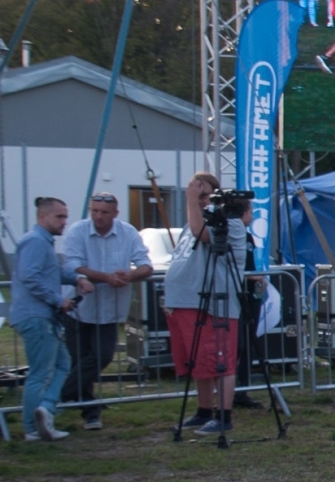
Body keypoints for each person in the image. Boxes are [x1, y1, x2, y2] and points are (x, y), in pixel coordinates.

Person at [59, 192, 154, 430]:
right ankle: (90, 411)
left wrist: (131, 275)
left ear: (115, 214)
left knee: (102, 356)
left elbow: (146, 265)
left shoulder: (128, 232)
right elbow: (71, 264)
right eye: (95, 211)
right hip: (77, 307)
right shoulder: (78, 231)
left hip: (110, 311)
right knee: (79, 361)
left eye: (104, 212)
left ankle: (56, 397)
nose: (98, 217)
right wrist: (105, 277)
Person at [164, 174, 248, 435]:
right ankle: (204, 411)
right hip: (186, 301)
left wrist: (191, 200)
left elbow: (203, 236)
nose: (200, 201)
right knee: (197, 362)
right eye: (196, 194)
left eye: (205, 196)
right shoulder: (193, 223)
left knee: (219, 360)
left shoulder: (229, 223)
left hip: (214, 302)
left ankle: (224, 415)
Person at [13, 197, 92, 439]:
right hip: (36, 316)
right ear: (43, 217)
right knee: (41, 372)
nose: (64, 222)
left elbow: (52, 272)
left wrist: (76, 279)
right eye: (59, 217)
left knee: (62, 364)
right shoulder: (35, 242)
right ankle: (32, 427)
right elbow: (31, 277)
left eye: (65, 217)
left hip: (42, 316)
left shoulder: (41, 242)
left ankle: (44, 411)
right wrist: (59, 301)